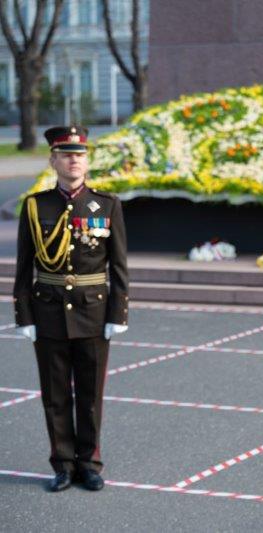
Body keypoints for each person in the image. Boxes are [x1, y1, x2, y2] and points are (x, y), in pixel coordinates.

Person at [13, 126, 129, 492]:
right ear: (53, 161)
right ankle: (63, 464)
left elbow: (119, 266)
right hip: (47, 312)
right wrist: (24, 314)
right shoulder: (36, 206)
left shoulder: (107, 205)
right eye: (65, 155)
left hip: (93, 313)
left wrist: (118, 313)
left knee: (90, 397)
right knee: (55, 395)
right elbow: (23, 266)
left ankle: (89, 463)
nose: (73, 160)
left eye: (79, 154)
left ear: (87, 161)